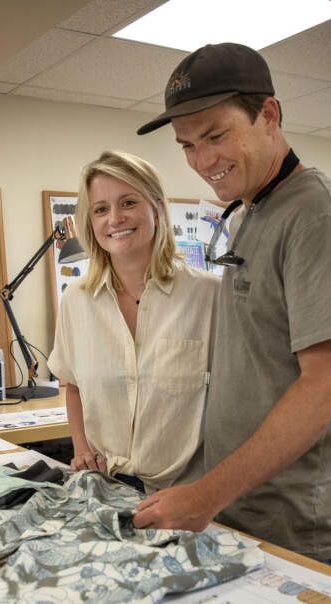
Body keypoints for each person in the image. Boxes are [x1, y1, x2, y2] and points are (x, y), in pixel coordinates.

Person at [132, 43, 331, 577]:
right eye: (187, 145)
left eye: (217, 136)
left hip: (304, 531)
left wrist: (205, 494)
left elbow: (329, 386)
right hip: (244, 513)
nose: (203, 162)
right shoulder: (253, 212)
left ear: (268, 114)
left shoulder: (319, 217)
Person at [47, 150, 220, 493]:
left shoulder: (209, 295)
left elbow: (236, 397)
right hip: (106, 487)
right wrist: (81, 449)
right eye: (101, 209)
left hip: (187, 491)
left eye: (128, 202)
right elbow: (73, 384)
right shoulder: (76, 301)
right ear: (89, 222)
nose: (115, 218)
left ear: (157, 208)